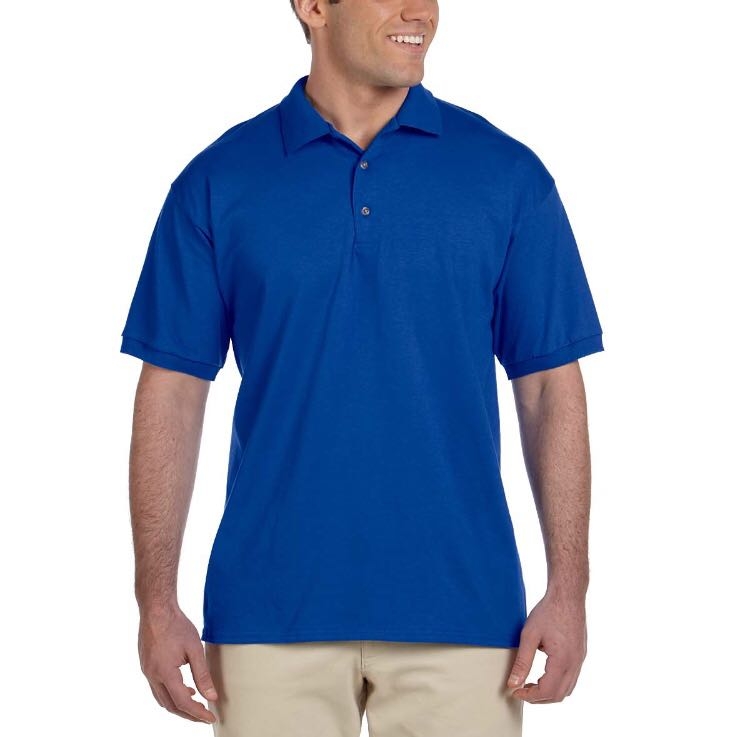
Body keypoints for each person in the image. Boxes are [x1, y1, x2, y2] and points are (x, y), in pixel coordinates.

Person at [119, 0, 604, 734]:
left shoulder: (507, 177)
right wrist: (156, 602)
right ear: (314, 6)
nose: (422, 11)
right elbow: (173, 395)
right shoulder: (219, 181)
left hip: (465, 612)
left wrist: (569, 590)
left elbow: (548, 390)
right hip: (268, 612)